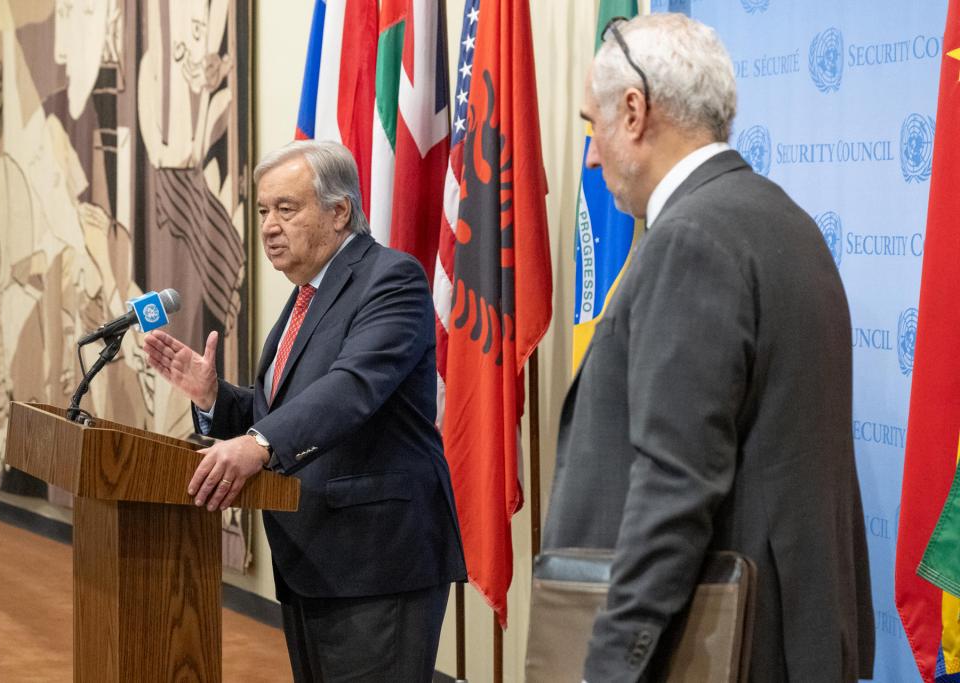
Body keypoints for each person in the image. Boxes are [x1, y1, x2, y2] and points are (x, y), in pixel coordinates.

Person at [541, 13, 874, 682]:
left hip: (724, 648)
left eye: (590, 126)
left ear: (633, 111)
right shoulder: (782, 217)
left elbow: (674, 483)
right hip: (791, 636)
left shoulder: (692, 240)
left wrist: (609, 665)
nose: (592, 154)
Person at [144, 139, 467, 682]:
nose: (269, 225)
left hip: (377, 562)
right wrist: (213, 397)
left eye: (286, 209)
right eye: (265, 210)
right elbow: (286, 411)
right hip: (312, 559)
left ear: (340, 211)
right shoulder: (306, 295)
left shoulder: (391, 279)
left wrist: (258, 444)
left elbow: (352, 389)